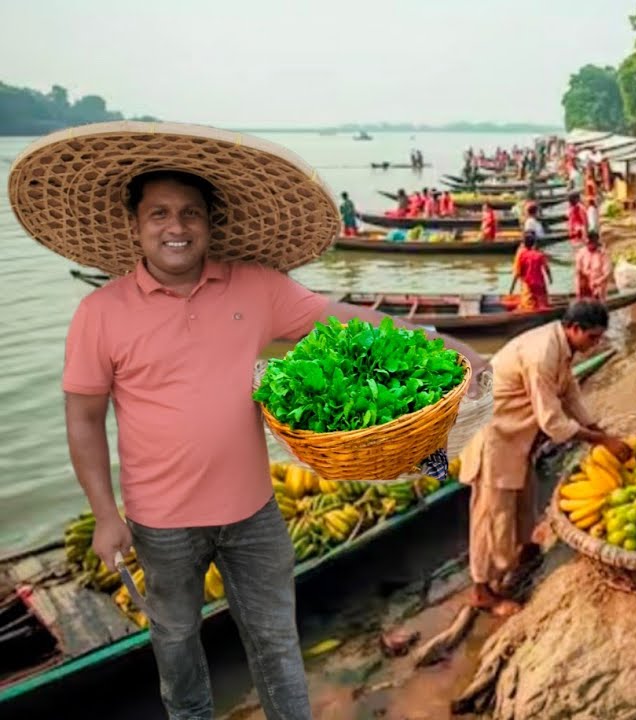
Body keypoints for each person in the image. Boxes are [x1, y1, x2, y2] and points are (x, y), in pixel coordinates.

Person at [19, 123, 491, 720]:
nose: (176, 227)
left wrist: (441, 342)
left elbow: (348, 321)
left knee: (275, 644)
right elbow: (83, 418)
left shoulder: (258, 288)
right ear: (135, 226)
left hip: (253, 514)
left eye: (190, 213)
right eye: (159, 213)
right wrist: (106, 514)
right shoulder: (100, 313)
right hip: (160, 524)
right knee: (176, 647)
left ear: (210, 224)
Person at [460, 301, 632, 616]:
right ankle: (482, 589)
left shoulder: (562, 348)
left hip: (516, 434)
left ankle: (523, 549)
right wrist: (600, 439)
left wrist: (598, 430)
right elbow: (553, 421)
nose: (594, 345)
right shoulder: (542, 354)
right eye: (592, 338)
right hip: (493, 433)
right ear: (575, 328)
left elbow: (570, 394)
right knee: (491, 511)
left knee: (524, 495)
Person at [511, 232, 551, 310]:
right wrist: (550, 279)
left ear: (524, 243)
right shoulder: (539, 254)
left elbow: (517, 273)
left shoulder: (521, 255)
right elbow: (547, 268)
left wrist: (512, 289)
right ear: (534, 244)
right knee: (542, 303)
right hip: (540, 284)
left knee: (528, 305)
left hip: (528, 285)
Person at [574, 230, 611, 301]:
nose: (589, 244)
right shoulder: (581, 253)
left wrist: (597, 282)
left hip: (598, 287)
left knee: (598, 297)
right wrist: (579, 287)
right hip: (584, 287)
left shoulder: (603, 254)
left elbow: (607, 273)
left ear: (596, 242)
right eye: (588, 242)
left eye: (591, 242)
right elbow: (578, 271)